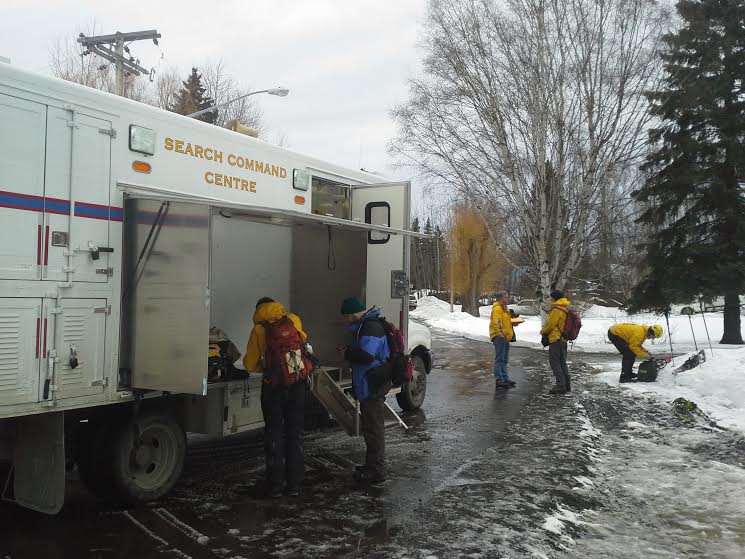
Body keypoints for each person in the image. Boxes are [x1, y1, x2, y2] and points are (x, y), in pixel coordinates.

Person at [243, 297, 311, 498]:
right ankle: (295, 484)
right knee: (295, 432)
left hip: (273, 387)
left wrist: (267, 368)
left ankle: (275, 485)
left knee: (274, 433)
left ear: (259, 310)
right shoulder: (293, 320)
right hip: (297, 384)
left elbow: (249, 364)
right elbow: (303, 342)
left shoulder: (259, 330)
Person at [339, 296, 391, 485]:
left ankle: (377, 471)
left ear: (352, 314)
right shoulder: (367, 325)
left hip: (373, 384)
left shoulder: (370, 327)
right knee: (371, 427)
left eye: (345, 316)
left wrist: (346, 352)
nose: (345, 320)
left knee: (374, 429)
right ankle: (372, 466)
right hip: (370, 383)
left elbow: (367, 355)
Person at [540, 290, 572, 394]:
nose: (550, 299)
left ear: (554, 298)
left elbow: (550, 325)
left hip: (556, 339)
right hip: (563, 339)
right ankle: (566, 385)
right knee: (562, 363)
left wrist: (542, 331)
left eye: (551, 297)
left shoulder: (557, 309)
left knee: (555, 363)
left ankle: (560, 386)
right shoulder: (565, 307)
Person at [489, 291, 515, 388]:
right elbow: (497, 323)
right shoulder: (497, 309)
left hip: (505, 336)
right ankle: (499, 379)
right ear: (500, 298)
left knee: (504, 359)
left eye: (507, 297)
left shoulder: (505, 309)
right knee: (499, 359)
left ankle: (505, 377)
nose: (507, 299)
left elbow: (505, 322)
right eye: (505, 297)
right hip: (500, 337)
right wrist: (502, 334)